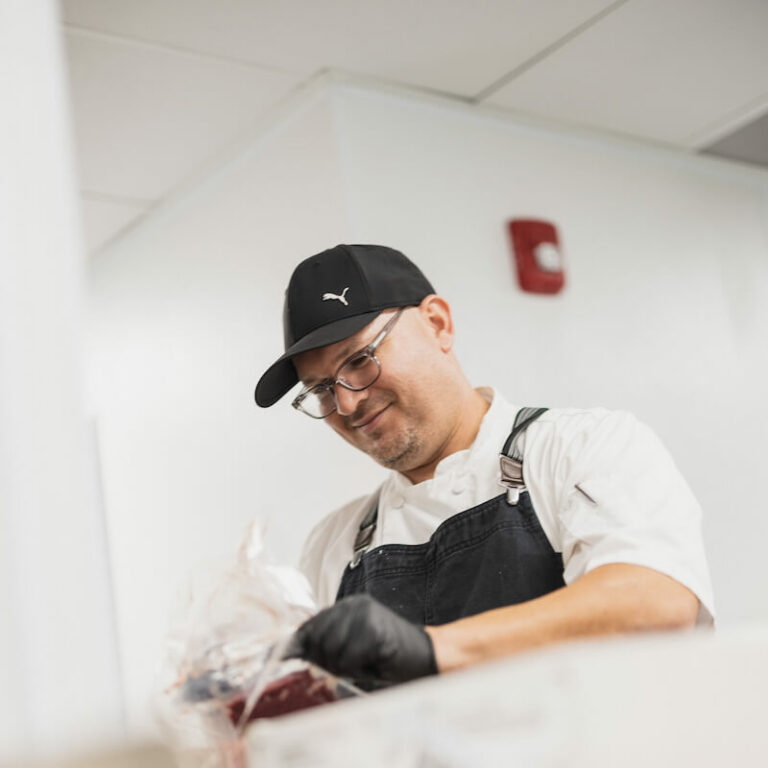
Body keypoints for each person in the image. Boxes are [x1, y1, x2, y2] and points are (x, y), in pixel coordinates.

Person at [255, 244, 714, 687]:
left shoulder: (581, 446)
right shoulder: (333, 545)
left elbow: (655, 603)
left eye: (360, 359)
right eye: (321, 390)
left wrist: (430, 650)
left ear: (438, 323)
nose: (348, 402)